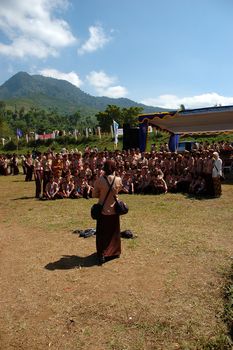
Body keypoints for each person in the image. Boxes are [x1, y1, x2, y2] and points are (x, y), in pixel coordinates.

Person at [92, 159, 123, 264]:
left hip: (103, 210)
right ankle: (114, 252)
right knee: (114, 233)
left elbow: (94, 195)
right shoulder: (118, 179)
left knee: (102, 234)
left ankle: (102, 254)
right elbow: (119, 189)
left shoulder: (99, 180)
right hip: (114, 210)